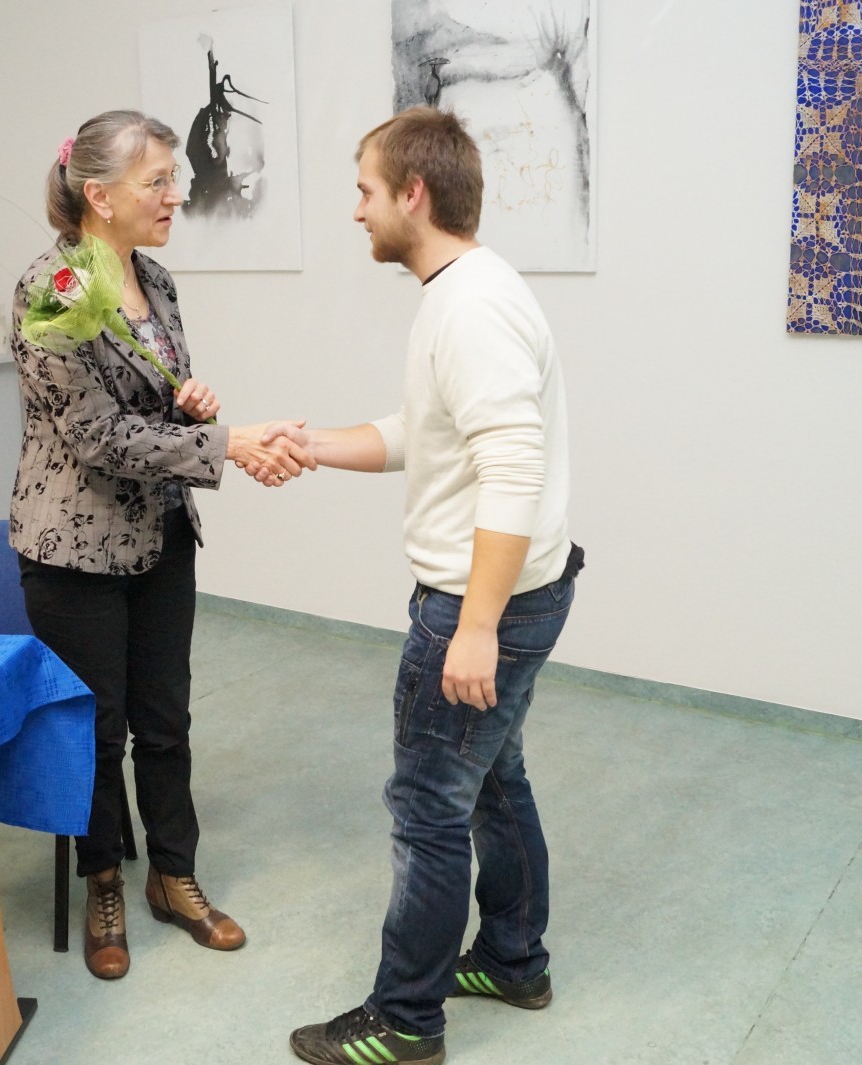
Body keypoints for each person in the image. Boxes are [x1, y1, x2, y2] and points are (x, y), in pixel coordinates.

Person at [280, 107, 582, 1065]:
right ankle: (514, 959)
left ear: (413, 194)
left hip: (482, 603)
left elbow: (512, 467)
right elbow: (426, 432)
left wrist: (476, 624)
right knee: (493, 780)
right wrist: (312, 444)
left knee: (427, 807)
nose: (356, 211)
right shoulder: (464, 293)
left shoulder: (471, 307)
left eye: (365, 191)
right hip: (520, 591)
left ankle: (406, 1021)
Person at [10, 109, 314, 981]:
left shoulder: (157, 280)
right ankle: (104, 879)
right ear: (99, 196)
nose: (176, 195)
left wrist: (191, 402)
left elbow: (147, 400)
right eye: (158, 181)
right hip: (76, 549)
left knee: (167, 721)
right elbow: (96, 435)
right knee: (98, 731)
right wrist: (229, 443)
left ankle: (173, 875)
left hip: (161, 532)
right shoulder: (52, 291)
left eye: (174, 178)